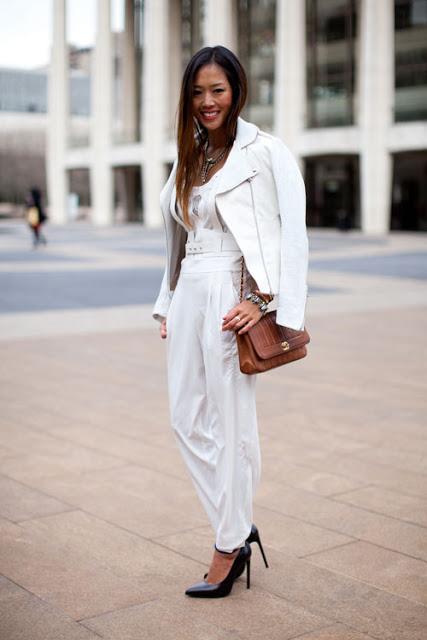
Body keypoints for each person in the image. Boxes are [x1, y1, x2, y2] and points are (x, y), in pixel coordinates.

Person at [152, 45, 308, 598]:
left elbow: (292, 237)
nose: (207, 101)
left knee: (233, 421)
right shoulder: (189, 156)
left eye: (217, 90)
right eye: (198, 92)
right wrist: (169, 302)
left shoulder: (267, 153)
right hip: (191, 288)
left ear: (237, 91)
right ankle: (238, 521)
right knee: (185, 418)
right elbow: (178, 236)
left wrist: (267, 303)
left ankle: (228, 543)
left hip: (230, 295)